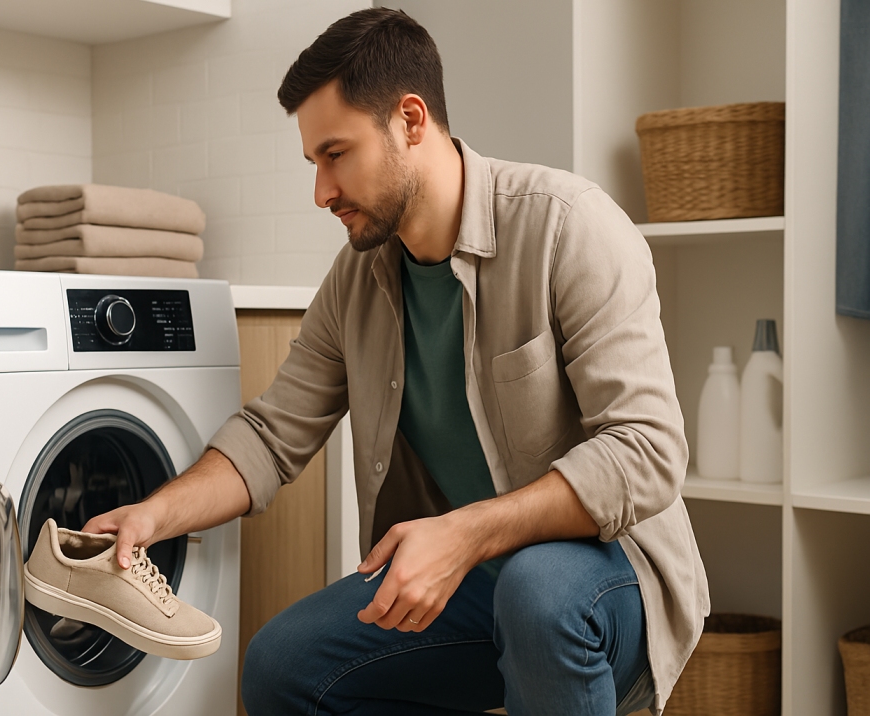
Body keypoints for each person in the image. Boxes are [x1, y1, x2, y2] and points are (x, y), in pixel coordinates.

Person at [84, 7, 708, 714]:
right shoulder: (357, 280)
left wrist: (466, 532)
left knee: (537, 593)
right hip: (472, 580)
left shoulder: (569, 227)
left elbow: (648, 450)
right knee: (280, 666)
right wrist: (152, 515)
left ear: (410, 120)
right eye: (314, 162)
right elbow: (270, 436)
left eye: (335, 154)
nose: (321, 191)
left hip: (605, 577)